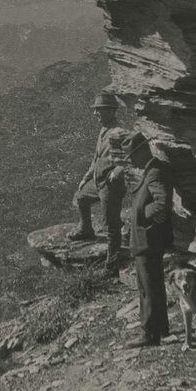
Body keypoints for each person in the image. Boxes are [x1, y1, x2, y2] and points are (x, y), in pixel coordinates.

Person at [122, 130, 174, 346]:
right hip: (147, 238)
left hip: (148, 239)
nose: (131, 160)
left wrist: (143, 215)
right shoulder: (151, 171)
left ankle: (149, 333)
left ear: (143, 150)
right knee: (153, 285)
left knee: (147, 287)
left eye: (133, 154)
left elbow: (161, 202)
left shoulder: (154, 172)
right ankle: (160, 328)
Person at [68, 91, 127, 266]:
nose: (95, 113)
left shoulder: (120, 132)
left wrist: (118, 171)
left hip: (111, 186)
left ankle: (113, 262)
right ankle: (86, 229)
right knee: (80, 197)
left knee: (111, 225)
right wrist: (86, 178)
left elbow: (130, 158)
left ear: (110, 111)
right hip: (98, 181)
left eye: (99, 110)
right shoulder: (103, 131)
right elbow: (96, 158)